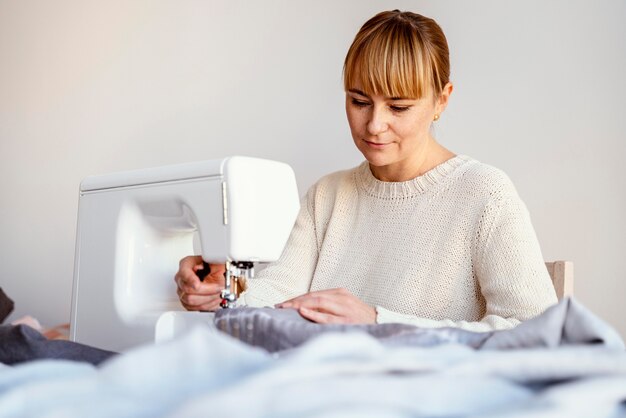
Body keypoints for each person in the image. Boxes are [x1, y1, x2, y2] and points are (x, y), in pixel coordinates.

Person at [174, 10, 558, 332]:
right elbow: (277, 295)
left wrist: (378, 323)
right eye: (359, 101)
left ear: (441, 100)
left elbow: (537, 331)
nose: (374, 125)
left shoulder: (485, 194)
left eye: (399, 107)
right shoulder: (327, 196)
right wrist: (226, 289)